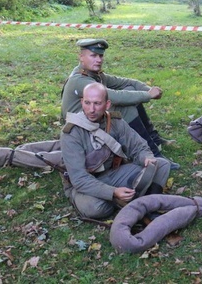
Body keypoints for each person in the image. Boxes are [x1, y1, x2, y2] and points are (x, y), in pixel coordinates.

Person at [61, 39, 179, 170]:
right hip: (81, 127)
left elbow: (126, 82)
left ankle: (154, 139)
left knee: (131, 91)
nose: (99, 60)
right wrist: (148, 95)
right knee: (126, 107)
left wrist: (148, 89)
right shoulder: (80, 80)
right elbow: (114, 97)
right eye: (93, 55)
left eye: (101, 55)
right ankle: (155, 155)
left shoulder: (95, 75)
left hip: (93, 117)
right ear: (81, 57)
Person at [60, 83, 172, 219]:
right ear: (81, 102)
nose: (91, 109)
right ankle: (130, 198)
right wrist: (113, 192)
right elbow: (79, 179)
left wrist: (146, 157)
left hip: (113, 173)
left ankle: (148, 203)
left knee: (162, 165)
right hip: (87, 184)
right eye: (87, 103)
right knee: (96, 208)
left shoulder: (115, 121)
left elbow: (138, 146)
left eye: (97, 103)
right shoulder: (71, 132)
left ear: (107, 105)